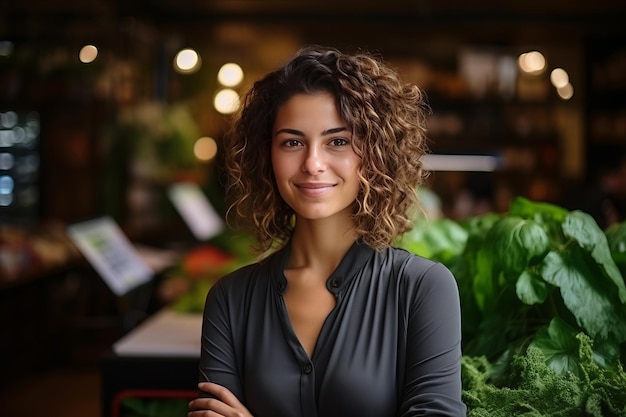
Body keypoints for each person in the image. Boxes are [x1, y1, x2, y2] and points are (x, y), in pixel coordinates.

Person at [187, 45, 466, 417]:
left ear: (376, 154)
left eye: (338, 141)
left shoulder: (422, 287)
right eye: (292, 142)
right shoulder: (230, 299)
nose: (312, 163)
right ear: (266, 154)